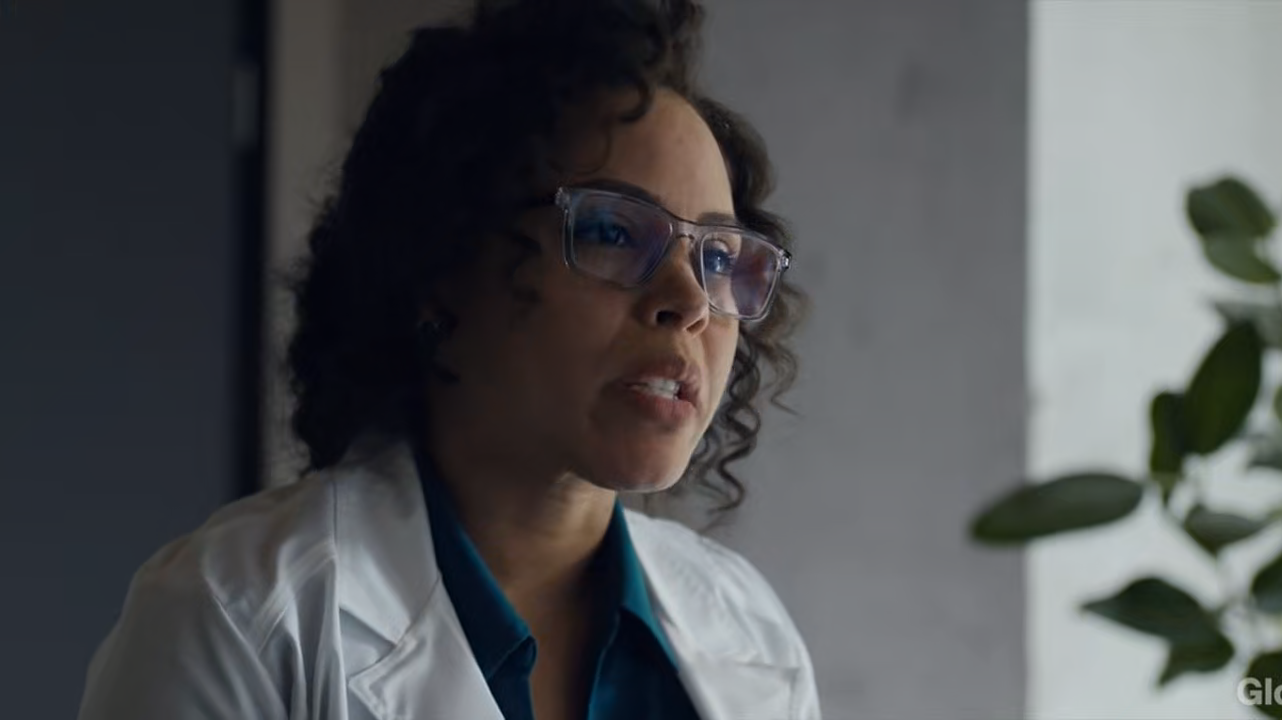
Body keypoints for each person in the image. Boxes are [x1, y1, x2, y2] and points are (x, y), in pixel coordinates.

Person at [74, 0, 817, 718]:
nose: (690, 301)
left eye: (721, 257)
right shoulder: (234, 617)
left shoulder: (751, 633)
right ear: (443, 261)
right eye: (613, 233)